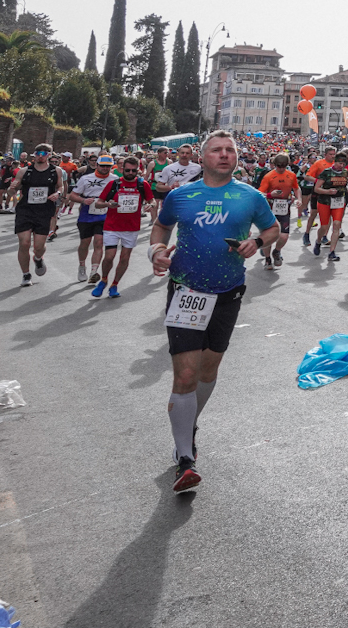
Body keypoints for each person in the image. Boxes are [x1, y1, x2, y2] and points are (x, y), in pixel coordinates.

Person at [148, 131, 278, 493]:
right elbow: (161, 226)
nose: (224, 155)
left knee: (208, 370)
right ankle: (185, 458)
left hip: (229, 292)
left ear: (237, 158)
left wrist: (258, 241)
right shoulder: (180, 195)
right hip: (186, 290)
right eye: (217, 150)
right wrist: (156, 250)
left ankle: (188, 425)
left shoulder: (250, 196)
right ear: (202, 157)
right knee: (186, 375)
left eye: (230, 151)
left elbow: (273, 228)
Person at [93, 154, 157, 298]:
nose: (130, 173)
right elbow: (98, 202)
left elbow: (152, 201)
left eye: (133, 171)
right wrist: (108, 204)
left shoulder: (142, 184)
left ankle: (114, 284)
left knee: (124, 258)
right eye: (127, 170)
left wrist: (149, 205)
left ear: (138, 170)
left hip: (131, 227)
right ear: (122, 169)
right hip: (112, 226)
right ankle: (103, 280)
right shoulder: (114, 184)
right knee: (109, 256)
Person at [10, 146, 64, 286]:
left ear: (49, 155)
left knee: (39, 246)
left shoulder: (55, 171)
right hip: (25, 210)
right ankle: (26, 274)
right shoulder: (24, 171)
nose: (40, 156)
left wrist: (57, 194)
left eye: (43, 154)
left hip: (44, 210)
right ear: (34, 155)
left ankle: (38, 258)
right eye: (38, 154)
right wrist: (11, 188)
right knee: (24, 243)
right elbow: (11, 193)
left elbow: (60, 187)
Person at [68, 154, 114, 284]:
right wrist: (83, 200)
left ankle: (94, 272)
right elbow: (72, 196)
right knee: (85, 243)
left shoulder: (115, 179)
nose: (105, 169)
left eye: (108, 167)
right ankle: (82, 266)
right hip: (87, 213)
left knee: (99, 242)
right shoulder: (86, 178)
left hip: (105, 213)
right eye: (103, 166)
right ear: (97, 165)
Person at [256, 154, 298, 268]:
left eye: (284, 166)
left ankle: (277, 251)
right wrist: (270, 194)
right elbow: (259, 194)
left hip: (284, 208)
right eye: (279, 166)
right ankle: (267, 259)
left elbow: (296, 188)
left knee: (284, 236)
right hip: (269, 208)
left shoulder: (291, 175)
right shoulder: (268, 176)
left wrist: (298, 199)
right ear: (274, 165)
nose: (281, 168)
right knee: (267, 236)